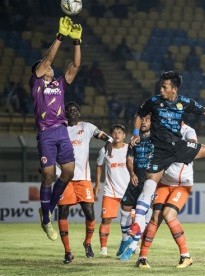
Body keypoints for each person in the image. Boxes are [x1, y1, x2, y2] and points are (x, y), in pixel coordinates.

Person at [128, 71, 205, 266]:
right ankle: (137, 225)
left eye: (165, 86)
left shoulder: (184, 103)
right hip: (160, 151)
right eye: (161, 86)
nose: (161, 89)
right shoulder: (153, 101)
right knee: (150, 184)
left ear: (174, 89)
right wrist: (136, 133)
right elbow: (139, 114)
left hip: (178, 148)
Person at [30, 16, 82, 241]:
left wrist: (77, 42)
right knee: (49, 176)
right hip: (46, 133)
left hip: (61, 131)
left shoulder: (59, 83)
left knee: (68, 173)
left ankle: (47, 210)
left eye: (49, 64)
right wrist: (59, 37)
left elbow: (76, 66)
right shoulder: (37, 82)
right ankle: (45, 220)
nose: (49, 65)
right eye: (45, 64)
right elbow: (48, 58)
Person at [135, 121, 198, 268]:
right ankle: (142, 258)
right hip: (164, 183)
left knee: (169, 215)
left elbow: (193, 144)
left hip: (182, 184)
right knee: (155, 217)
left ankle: (185, 256)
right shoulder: (163, 130)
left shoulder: (188, 130)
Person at [57, 102, 113, 264]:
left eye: (75, 110)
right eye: (69, 110)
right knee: (63, 214)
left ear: (79, 113)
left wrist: (108, 141)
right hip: (64, 178)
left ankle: (87, 243)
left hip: (83, 178)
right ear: (65, 113)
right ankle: (68, 252)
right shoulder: (59, 129)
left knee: (90, 213)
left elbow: (102, 135)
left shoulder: (86, 127)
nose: (72, 112)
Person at [117, 115, 153, 261]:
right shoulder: (134, 140)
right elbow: (129, 159)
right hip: (135, 179)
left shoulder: (156, 139)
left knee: (142, 215)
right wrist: (132, 173)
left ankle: (132, 248)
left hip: (150, 181)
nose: (143, 122)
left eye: (147, 120)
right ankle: (125, 240)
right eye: (142, 120)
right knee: (125, 209)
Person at [94, 124, 130, 256]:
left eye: (120, 132)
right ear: (111, 135)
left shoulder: (130, 149)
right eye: (114, 132)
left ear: (124, 135)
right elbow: (98, 165)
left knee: (130, 221)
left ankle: (132, 244)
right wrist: (97, 184)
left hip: (128, 191)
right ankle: (103, 248)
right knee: (106, 220)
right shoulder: (105, 150)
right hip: (111, 191)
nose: (117, 135)